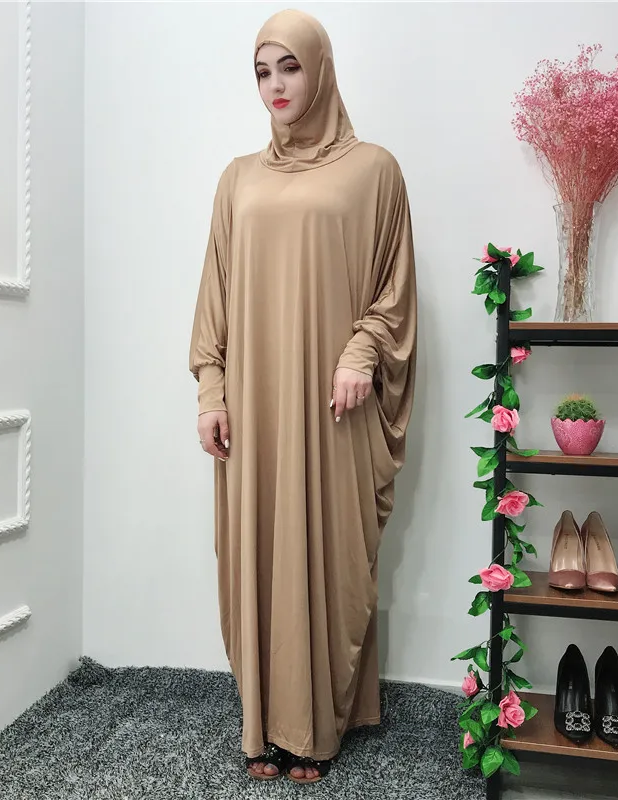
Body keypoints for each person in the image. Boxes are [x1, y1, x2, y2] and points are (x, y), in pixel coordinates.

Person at [189, 8, 417, 785]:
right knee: (257, 550)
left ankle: (316, 725)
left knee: (330, 551)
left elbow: (394, 287)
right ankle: (265, 723)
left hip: (331, 405)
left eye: (289, 66)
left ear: (320, 69)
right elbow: (215, 294)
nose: (276, 85)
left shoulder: (374, 170)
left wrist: (361, 351)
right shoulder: (237, 179)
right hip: (255, 407)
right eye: (262, 71)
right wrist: (211, 389)